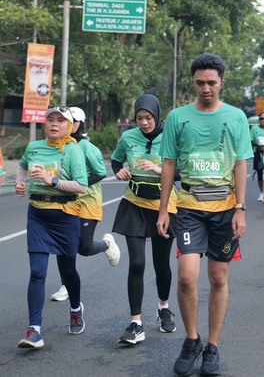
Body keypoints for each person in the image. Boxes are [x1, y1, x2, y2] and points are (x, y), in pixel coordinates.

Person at [157, 53, 253, 377]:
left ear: (222, 83)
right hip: (188, 207)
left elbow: (240, 163)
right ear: (193, 83)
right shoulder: (177, 117)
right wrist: (163, 209)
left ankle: (212, 345)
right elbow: (168, 163)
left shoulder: (236, 117)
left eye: (212, 83)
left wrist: (240, 209)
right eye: (200, 83)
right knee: (186, 277)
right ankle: (191, 339)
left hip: (225, 209)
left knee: (218, 278)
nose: (206, 88)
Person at [15, 107, 88, 349]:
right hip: (37, 215)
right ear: (45, 124)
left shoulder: (72, 150)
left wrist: (52, 180)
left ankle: (75, 308)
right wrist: (20, 182)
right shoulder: (33, 147)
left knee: (68, 271)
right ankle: (34, 329)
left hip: (65, 217)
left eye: (60, 121)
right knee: (37, 272)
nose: (54, 124)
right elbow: (22, 166)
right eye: (50, 120)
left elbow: (82, 186)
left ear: (69, 126)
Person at [111, 94, 178, 345]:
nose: (144, 123)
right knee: (137, 263)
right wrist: (119, 170)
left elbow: (182, 171)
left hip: (164, 206)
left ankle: (163, 308)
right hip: (134, 204)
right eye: (139, 118)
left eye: (148, 117)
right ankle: (136, 323)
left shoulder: (171, 136)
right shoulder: (128, 137)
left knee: (161, 263)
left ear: (157, 116)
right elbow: (116, 159)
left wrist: (161, 170)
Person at [51, 106, 120, 302]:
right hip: (66, 202)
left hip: (87, 201)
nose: (68, 124)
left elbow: (100, 173)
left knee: (84, 247)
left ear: (79, 124)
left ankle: (107, 244)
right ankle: (65, 284)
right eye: (65, 120)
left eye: (72, 121)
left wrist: (76, 184)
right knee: (63, 245)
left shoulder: (87, 147)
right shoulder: (58, 145)